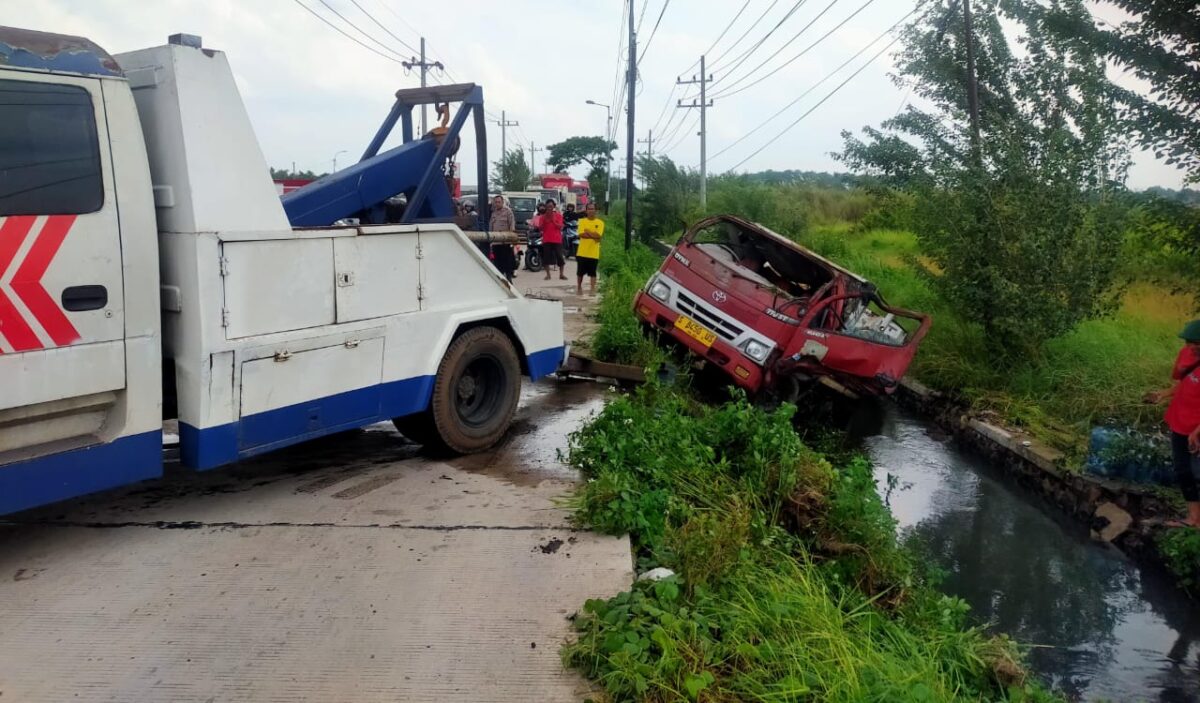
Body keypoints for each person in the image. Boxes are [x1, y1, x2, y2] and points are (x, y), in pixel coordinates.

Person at [1146, 319, 1200, 528]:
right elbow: (1184, 383)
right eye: (1188, 342)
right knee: (1183, 470)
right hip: (1179, 422)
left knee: (1197, 472)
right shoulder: (1186, 355)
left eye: (1196, 343)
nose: (1191, 347)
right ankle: (1193, 518)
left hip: (1196, 428)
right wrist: (1163, 394)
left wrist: (1197, 431)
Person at [575, 203, 604, 296]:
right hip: (582, 252)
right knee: (580, 273)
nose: (591, 211)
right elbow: (581, 234)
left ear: (596, 210)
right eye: (589, 209)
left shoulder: (600, 223)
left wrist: (588, 231)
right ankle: (579, 287)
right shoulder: (582, 221)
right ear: (586, 211)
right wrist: (594, 236)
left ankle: (592, 289)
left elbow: (598, 236)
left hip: (594, 252)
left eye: (592, 209)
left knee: (593, 273)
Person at [488, 194, 517, 282]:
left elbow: (512, 225)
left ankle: (509, 279)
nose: (497, 204)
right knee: (498, 263)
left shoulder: (508, 212)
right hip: (496, 242)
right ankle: (501, 280)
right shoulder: (493, 213)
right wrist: (490, 240)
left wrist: (511, 238)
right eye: (496, 202)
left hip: (505, 242)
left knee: (507, 263)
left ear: (502, 202)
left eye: (499, 202)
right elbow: (491, 227)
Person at [540, 199, 567, 281]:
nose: (549, 208)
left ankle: (561, 274)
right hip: (547, 239)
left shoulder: (558, 215)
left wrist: (553, 220)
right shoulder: (542, 217)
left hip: (557, 239)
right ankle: (548, 275)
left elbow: (560, 227)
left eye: (551, 206)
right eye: (548, 206)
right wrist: (545, 221)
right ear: (546, 207)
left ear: (554, 207)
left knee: (560, 257)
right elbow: (540, 228)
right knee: (546, 258)